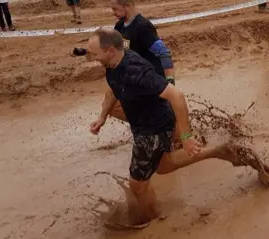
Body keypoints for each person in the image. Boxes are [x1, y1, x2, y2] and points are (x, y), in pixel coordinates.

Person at [86, 28, 247, 225]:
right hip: (147, 123)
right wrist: (102, 117)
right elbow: (114, 87)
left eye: (95, 54)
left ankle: (154, 223)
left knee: (137, 184)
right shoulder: (115, 62)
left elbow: (177, 97)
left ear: (110, 50)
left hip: (152, 130)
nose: (93, 59)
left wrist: (186, 138)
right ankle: (218, 152)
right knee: (163, 166)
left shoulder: (136, 71)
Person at [106, 0, 176, 122]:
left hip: (150, 80)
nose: (112, 12)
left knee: (169, 128)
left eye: (115, 9)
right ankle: (150, 125)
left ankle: (167, 128)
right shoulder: (119, 27)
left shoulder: (143, 27)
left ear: (128, 5)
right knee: (111, 106)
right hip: (133, 79)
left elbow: (164, 54)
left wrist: (170, 82)